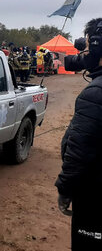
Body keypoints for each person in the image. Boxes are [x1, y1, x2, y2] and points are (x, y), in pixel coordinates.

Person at [55, 18, 102, 250]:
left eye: (87, 49)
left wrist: (65, 189)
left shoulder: (95, 93)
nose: (82, 54)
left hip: (94, 196)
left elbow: (79, 152)